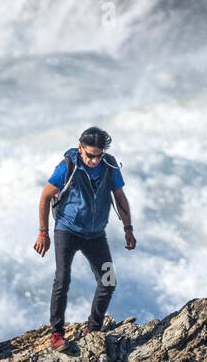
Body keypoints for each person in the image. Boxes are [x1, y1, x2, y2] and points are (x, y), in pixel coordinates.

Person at [34, 126, 136, 350]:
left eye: (98, 155)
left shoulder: (109, 166)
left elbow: (120, 197)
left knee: (108, 281)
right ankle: (57, 333)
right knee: (62, 279)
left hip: (96, 235)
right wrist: (43, 232)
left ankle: (94, 327)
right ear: (80, 148)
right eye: (90, 155)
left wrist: (128, 228)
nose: (94, 160)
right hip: (66, 230)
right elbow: (44, 197)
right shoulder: (67, 167)